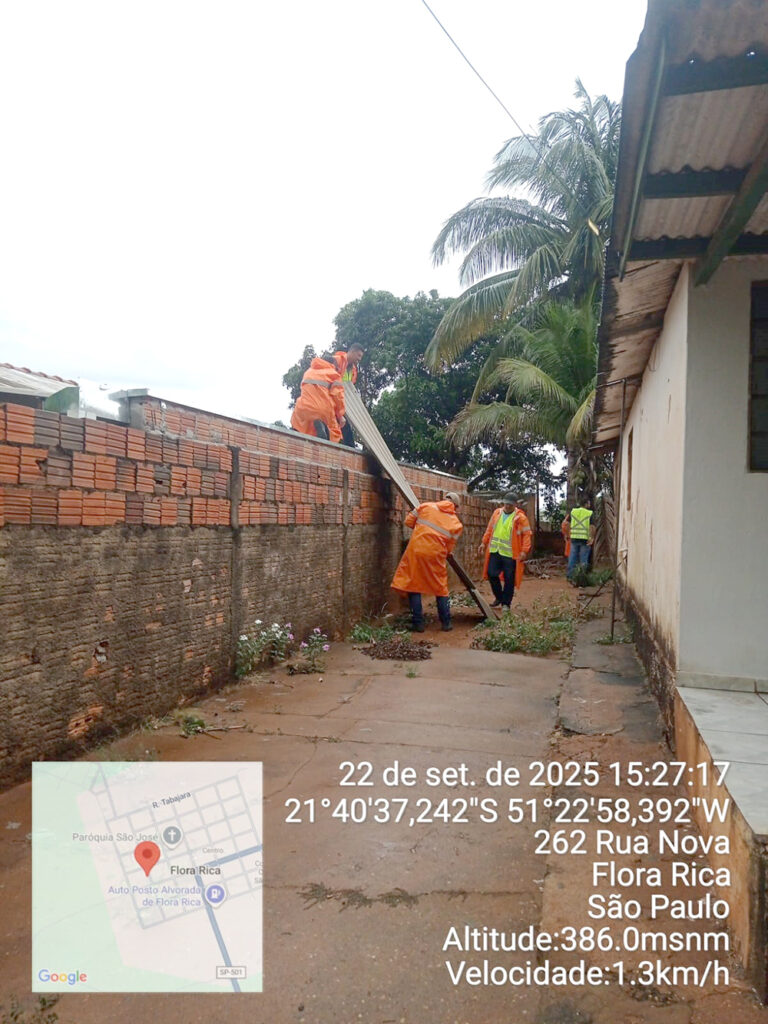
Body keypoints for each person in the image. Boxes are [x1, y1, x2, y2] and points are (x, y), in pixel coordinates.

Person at [391, 491, 463, 632]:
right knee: (440, 588)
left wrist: (423, 530)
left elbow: (408, 521)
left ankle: (418, 624)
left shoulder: (426, 506)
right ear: (455, 506)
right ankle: (446, 623)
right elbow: (449, 548)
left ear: (444, 499)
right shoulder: (456, 523)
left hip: (417, 551)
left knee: (414, 586)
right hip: (436, 555)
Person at [478, 493, 532, 610]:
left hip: (510, 554)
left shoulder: (520, 518)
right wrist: (483, 542)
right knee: (491, 574)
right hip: (495, 551)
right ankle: (499, 597)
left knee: (509, 579)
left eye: (510, 505)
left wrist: (524, 551)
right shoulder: (497, 513)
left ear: (515, 505)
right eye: (506, 504)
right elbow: (489, 529)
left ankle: (506, 603)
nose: (507, 506)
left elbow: (527, 535)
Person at [290, 356, 346, 443]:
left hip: (303, 410)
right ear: (333, 365)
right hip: (323, 410)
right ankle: (325, 428)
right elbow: (338, 397)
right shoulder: (334, 374)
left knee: (301, 424)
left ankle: (297, 433)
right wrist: (340, 415)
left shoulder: (308, 372)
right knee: (335, 431)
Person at [333, 345, 364, 447]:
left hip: (342, 402)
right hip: (332, 399)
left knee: (346, 429)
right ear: (352, 352)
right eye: (358, 355)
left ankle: (349, 449)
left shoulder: (353, 370)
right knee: (332, 427)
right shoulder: (338, 360)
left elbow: (350, 388)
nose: (359, 359)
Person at [566, 497, 595, 579]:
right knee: (583, 559)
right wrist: (591, 538)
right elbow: (592, 527)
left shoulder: (573, 512)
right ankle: (581, 577)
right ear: (586, 504)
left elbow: (567, 524)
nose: (589, 505)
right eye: (589, 503)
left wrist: (568, 534)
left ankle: (570, 576)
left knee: (572, 557)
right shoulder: (589, 513)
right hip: (585, 539)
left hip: (574, 537)